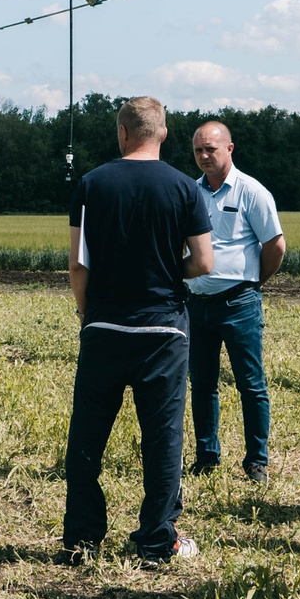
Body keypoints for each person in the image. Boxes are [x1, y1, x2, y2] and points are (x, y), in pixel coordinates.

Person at [64, 96, 215, 566]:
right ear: (164, 134)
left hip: (105, 325)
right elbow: (205, 261)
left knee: (88, 436)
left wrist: (89, 312)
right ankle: (156, 540)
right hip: (164, 328)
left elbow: (77, 263)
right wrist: (170, 271)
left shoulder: (91, 184)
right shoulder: (184, 189)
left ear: (122, 132)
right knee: (163, 437)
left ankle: (82, 540)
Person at [185, 121, 286, 483]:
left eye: (211, 148)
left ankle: (257, 460)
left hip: (239, 303)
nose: (204, 156)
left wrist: (254, 283)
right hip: (197, 303)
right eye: (198, 150)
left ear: (230, 148)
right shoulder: (190, 192)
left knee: (251, 384)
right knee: (203, 383)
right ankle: (207, 455)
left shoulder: (251, 192)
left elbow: (275, 245)